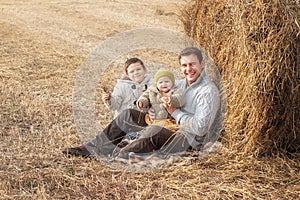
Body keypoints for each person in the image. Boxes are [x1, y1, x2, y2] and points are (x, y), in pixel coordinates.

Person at [63, 47, 221, 158]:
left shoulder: (208, 91)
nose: (188, 69)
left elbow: (201, 129)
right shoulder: (179, 83)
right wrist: (152, 108)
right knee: (128, 115)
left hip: (186, 138)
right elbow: (157, 95)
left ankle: (119, 153)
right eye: (184, 65)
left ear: (202, 64)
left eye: (192, 64)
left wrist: (175, 113)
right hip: (166, 122)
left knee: (155, 131)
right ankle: (92, 148)